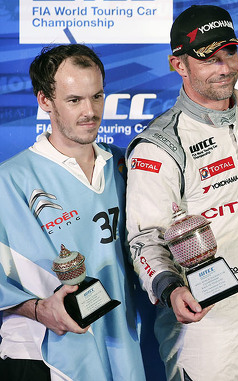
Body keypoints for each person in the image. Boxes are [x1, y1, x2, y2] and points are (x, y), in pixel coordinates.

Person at [125, 5, 238, 381]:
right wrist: (168, 288)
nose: (225, 67)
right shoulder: (160, 144)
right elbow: (144, 239)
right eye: (209, 59)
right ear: (179, 64)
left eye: (229, 53)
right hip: (201, 320)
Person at [0, 44, 146, 381]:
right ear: (45, 101)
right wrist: (37, 310)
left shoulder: (126, 165)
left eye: (97, 97)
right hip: (42, 357)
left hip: (122, 348)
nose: (90, 111)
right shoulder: (10, 181)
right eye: (74, 100)